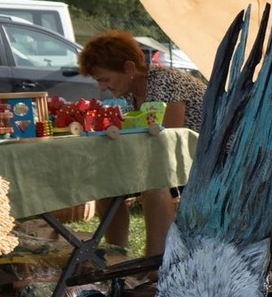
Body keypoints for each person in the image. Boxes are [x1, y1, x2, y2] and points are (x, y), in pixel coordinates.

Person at [77, 31, 208, 258]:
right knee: (107, 185)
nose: (102, 87)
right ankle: (118, 256)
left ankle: (156, 264)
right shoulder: (131, 93)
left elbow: (168, 143)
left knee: (154, 184)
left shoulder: (167, 81)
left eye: (104, 79)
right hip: (181, 158)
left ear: (129, 68)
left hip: (213, 160)